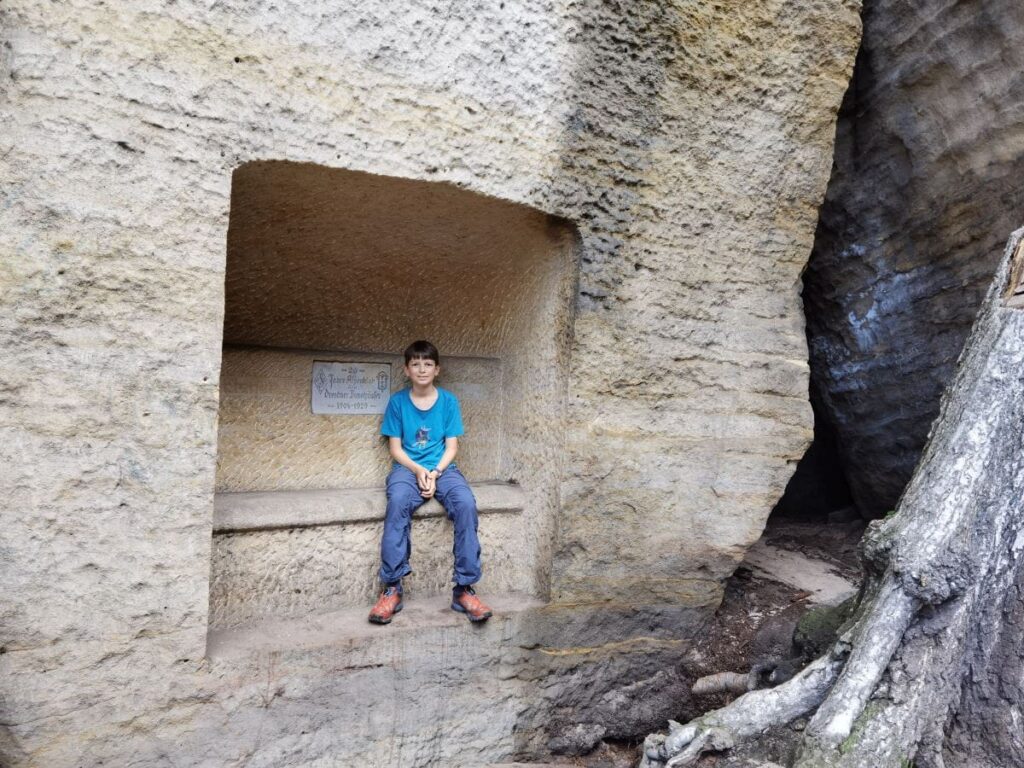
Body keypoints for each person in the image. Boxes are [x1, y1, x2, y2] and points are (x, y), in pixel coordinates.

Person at [368, 340, 493, 625]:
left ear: (437, 369)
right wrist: (418, 471)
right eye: (415, 364)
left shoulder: (449, 401)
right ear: (406, 369)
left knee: (465, 504)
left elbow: (451, 446)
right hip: (406, 468)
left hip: (443, 468)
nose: (421, 369)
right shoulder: (398, 402)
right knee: (398, 502)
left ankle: (464, 589)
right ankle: (392, 589)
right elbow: (395, 449)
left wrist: (434, 472)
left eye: (427, 364)